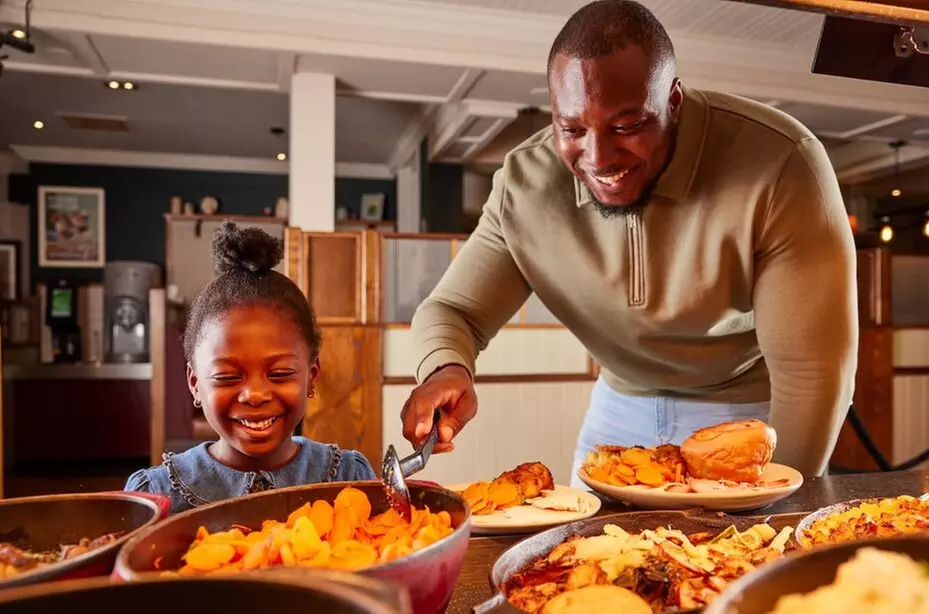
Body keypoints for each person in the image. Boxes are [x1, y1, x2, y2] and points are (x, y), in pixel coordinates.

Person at [400, 0, 857, 486]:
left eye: (627, 126)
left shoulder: (783, 163)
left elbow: (810, 376)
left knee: (738, 558)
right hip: (619, 405)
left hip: (744, 412)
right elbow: (453, 310)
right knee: (584, 556)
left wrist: (782, 501)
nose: (598, 157)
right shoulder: (524, 183)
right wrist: (445, 369)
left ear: (673, 103)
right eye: (572, 129)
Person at [126, 222, 375, 513]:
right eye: (227, 376)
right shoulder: (157, 495)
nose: (255, 395)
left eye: (279, 374)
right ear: (195, 383)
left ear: (312, 376)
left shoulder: (350, 480)